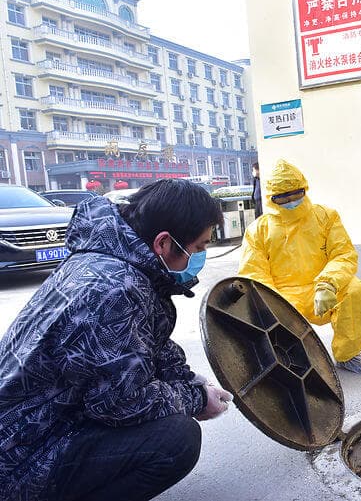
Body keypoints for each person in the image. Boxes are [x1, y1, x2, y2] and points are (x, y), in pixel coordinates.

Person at [0, 180, 233, 501]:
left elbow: (146, 344)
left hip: (32, 429)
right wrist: (194, 400)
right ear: (163, 243)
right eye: (198, 248)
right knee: (176, 439)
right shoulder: (115, 290)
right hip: (19, 457)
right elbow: (119, 403)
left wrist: (192, 382)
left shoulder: (110, 261)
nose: (201, 256)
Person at [238, 159, 361, 375]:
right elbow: (254, 274)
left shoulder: (326, 216)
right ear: (271, 198)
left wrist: (328, 284)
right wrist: (273, 301)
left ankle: (348, 354)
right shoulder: (258, 230)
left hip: (322, 289)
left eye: (295, 194)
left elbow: (343, 254)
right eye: (283, 197)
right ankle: (290, 360)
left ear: (304, 189)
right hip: (284, 296)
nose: (290, 201)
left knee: (355, 291)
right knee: (263, 306)